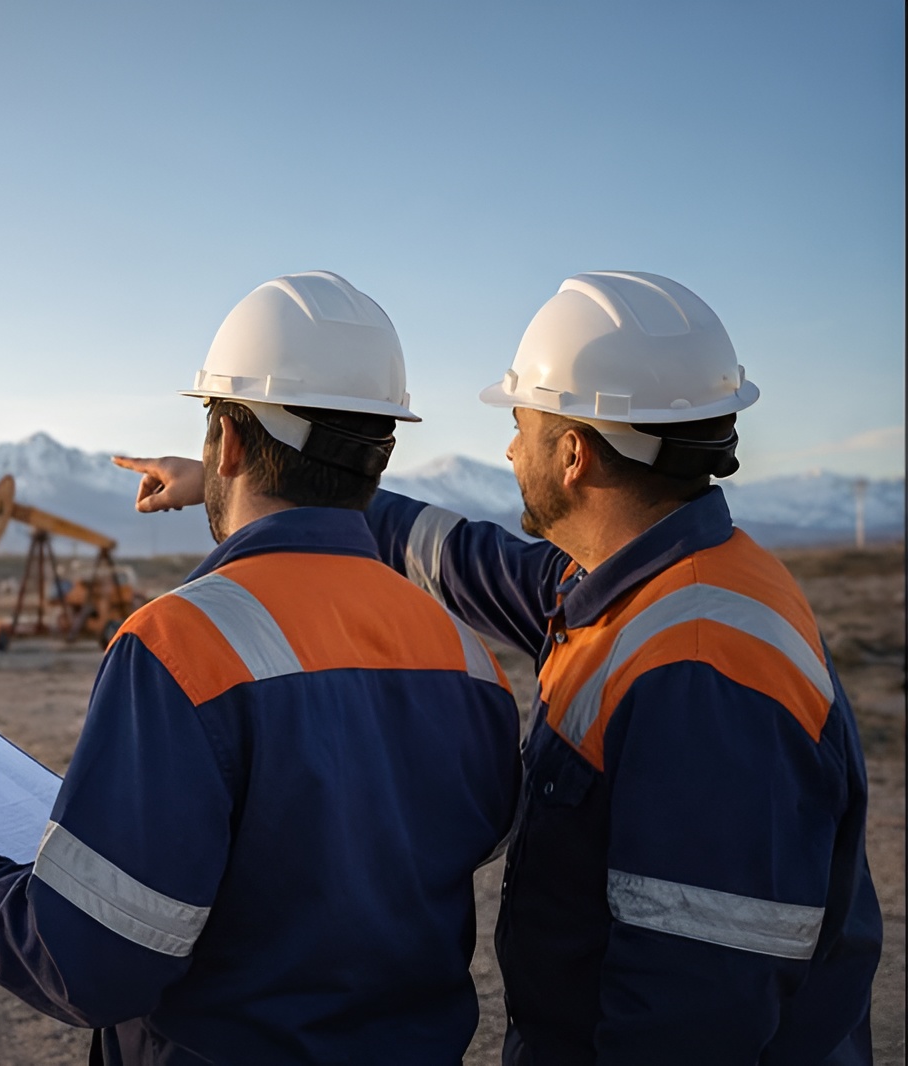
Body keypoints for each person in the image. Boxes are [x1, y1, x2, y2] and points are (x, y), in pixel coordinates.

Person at [117, 271, 883, 1064]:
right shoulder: (630, 588)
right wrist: (245, 478)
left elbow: (693, 1011)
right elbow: (453, 555)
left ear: (575, 453)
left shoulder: (702, 674)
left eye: (523, 423)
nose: (511, 446)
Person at [0, 271, 522, 1064]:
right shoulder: (467, 660)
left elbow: (85, 964)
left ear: (226, 441)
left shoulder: (178, 646)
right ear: (381, 454)